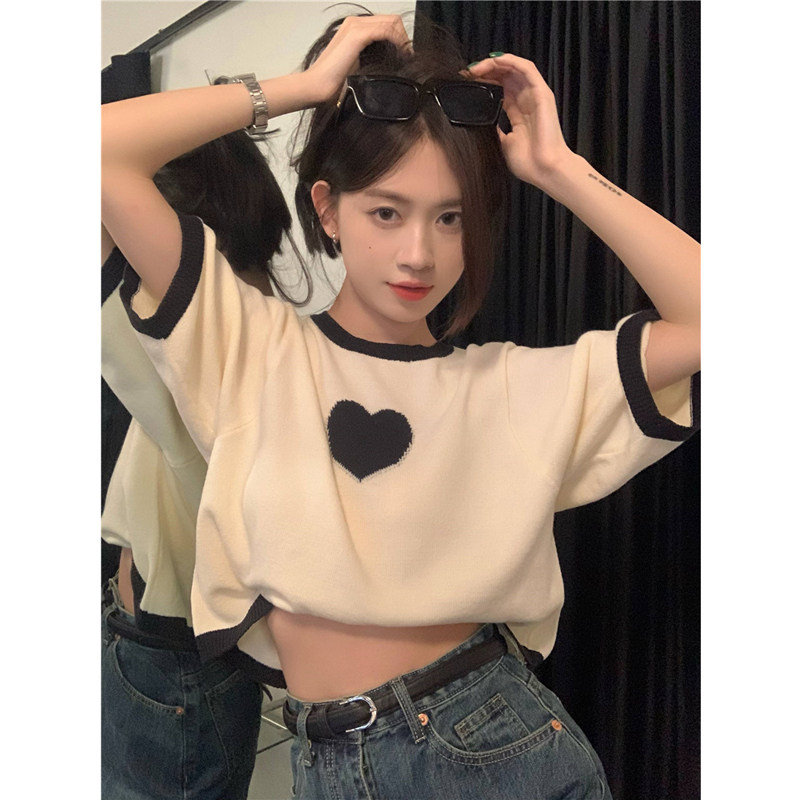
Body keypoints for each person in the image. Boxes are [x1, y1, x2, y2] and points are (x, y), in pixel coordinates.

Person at [100, 12, 700, 800]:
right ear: (327, 208)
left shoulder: (511, 386)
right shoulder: (250, 348)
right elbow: (97, 149)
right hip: (326, 759)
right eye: (387, 212)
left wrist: (559, 166)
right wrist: (304, 88)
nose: (419, 254)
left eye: (450, 218)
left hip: (494, 747)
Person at [101, 126, 304, 799]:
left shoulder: (187, 335)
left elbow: (99, 152)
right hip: (179, 649)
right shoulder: (253, 327)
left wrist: (276, 95)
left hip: (176, 661)